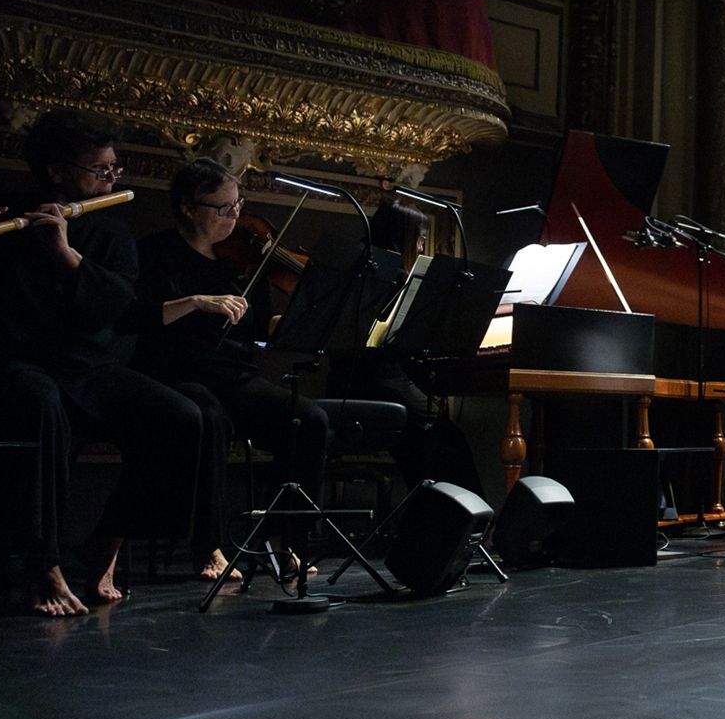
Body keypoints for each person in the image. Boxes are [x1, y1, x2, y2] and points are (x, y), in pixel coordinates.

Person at [0, 112, 203, 615]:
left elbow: (121, 308)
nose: (111, 179)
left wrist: (67, 255)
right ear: (56, 171)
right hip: (13, 365)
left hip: (88, 371)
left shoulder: (110, 229)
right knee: (42, 402)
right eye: (100, 170)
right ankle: (42, 564)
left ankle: (106, 541)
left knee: (179, 417)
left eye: (114, 169)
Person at [134, 158, 330, 581]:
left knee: (309, 419)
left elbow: (261, 325)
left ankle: (284, 538)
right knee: (212, 420)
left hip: (234, 376)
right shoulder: (156, 253)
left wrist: (296, 321)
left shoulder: (241, 260)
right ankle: (210, 547)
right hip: (178, 374)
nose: (235, 216)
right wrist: (196, 302)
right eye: (223, 208)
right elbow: (141, 318)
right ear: (188, 207)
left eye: (238, 205)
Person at [325, 200, 484, 495]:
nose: (422, 247)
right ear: (402, 238)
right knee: (440, 436)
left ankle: (454, 516)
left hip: (373, 381)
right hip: (369, 384)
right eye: (420, 238)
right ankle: (456, 518)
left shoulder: (369, 269)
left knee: (445, 436)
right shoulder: (382, 276)